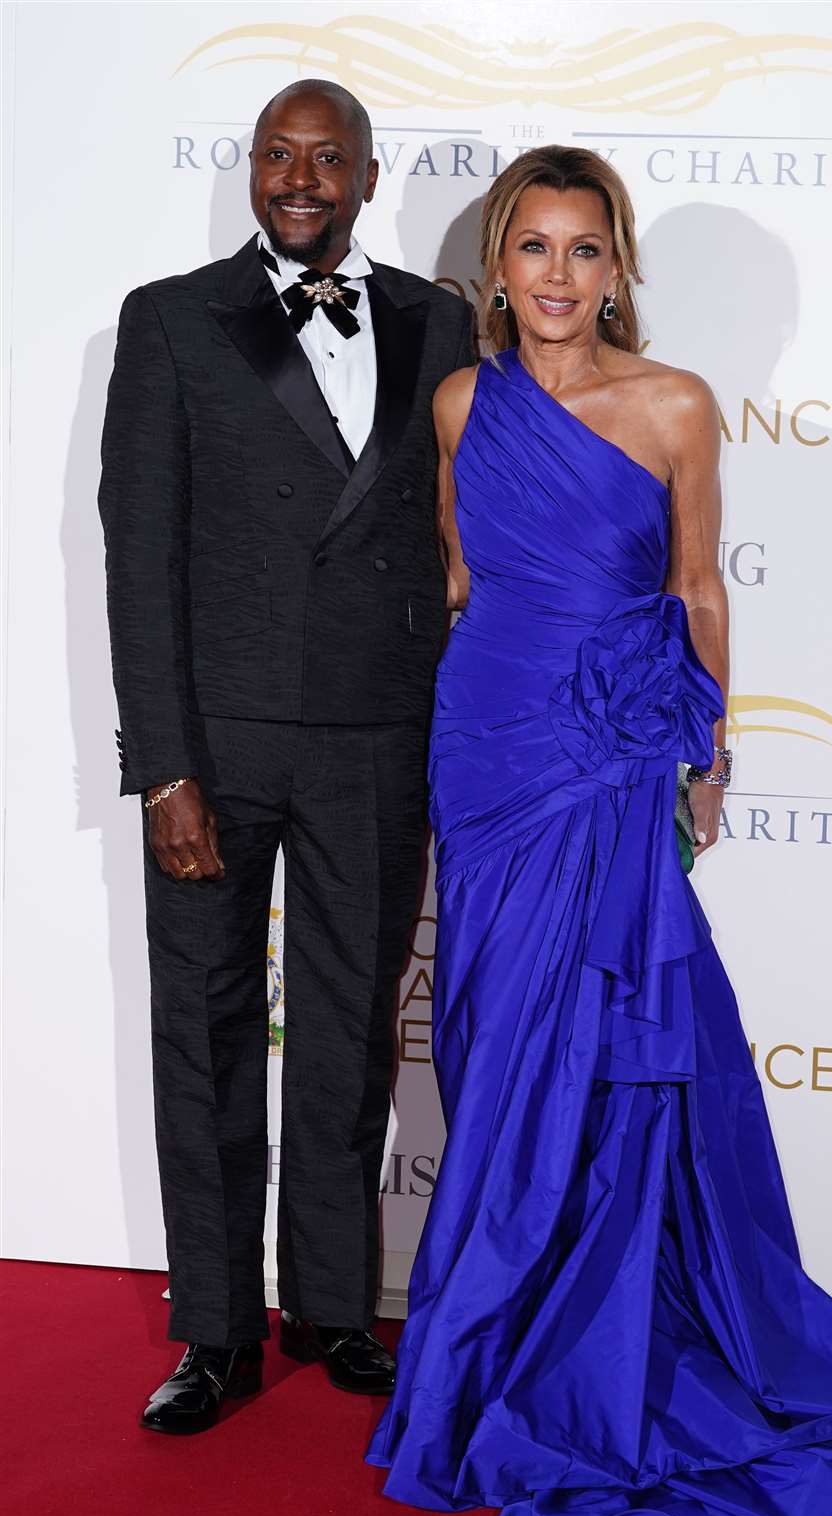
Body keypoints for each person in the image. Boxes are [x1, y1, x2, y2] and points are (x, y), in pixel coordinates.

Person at [366, 146, 832, 1516]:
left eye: (584, 251)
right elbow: (460, 570)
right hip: (492, 747)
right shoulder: (459, 401)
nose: (558, 278)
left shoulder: (678, 403)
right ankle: (489, 1341)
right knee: (494, 1045)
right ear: (496, 264)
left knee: (606, 1055)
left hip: (618, 753)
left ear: (619, 266)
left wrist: (704, 746)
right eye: (533, 249)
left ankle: (574, 1347)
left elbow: (697, 581)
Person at [99, 79, 475, 1434]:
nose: (300, 178)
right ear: (250, 171)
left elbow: (458, 540)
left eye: (328, 158)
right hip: (221, 742)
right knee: (202, 1028)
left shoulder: (443, 322)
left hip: (381, 730)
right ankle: (211, 1328)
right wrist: (164, 765)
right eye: (278, 155)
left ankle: (330, 1298)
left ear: (369, 178)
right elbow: (141, 563)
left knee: (348, 1031)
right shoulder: (171, 320)